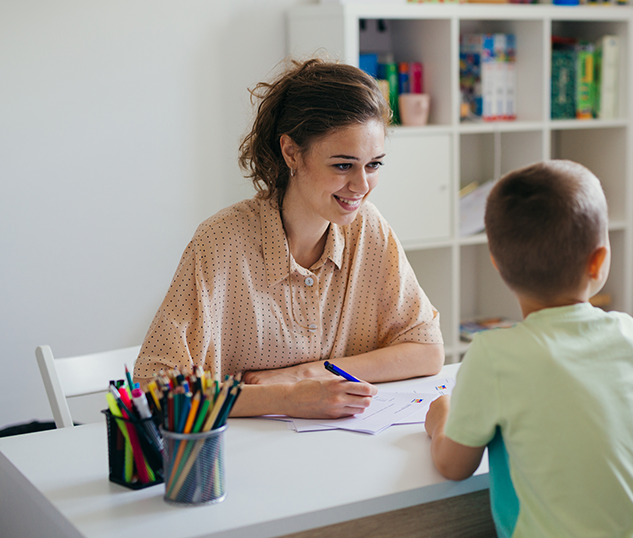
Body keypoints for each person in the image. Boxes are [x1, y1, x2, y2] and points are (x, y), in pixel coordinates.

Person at [134, 58, 444, 419]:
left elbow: (426, 349)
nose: (362, 186)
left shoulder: (368, 229)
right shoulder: (221, 241)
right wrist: (287, 399)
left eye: (374, 164)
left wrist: (309, 373)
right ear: (291, 152)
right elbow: (154, 390)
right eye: (343, 165)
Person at [425, 160, 633, 538]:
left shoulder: (493, 355)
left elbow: (454, 465)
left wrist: (441, 414)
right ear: (599, 261)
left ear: (496, 263)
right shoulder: (629, 333)